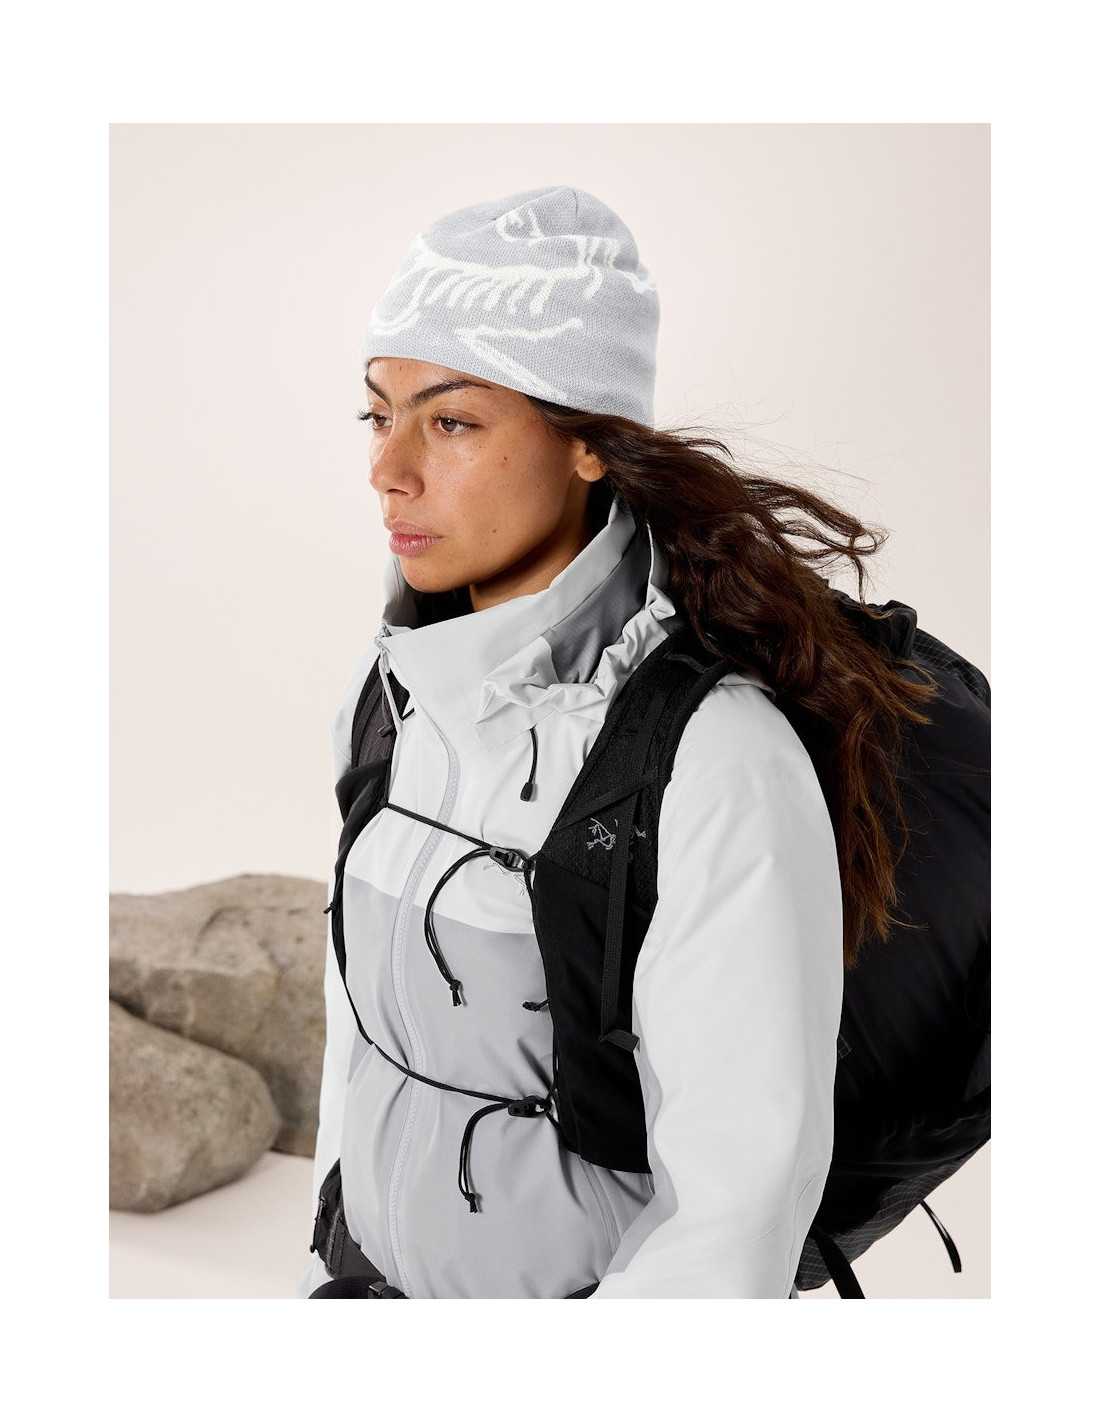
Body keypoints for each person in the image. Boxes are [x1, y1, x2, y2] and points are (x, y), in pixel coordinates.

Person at [296, 186, 936, 1299]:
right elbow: (357, 1038)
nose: (387, 468)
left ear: (590, 442)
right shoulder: (392, 693)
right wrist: (330, 1263)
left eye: (450, 422)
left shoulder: (713, 758)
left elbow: (731, 1219)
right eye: (377, 415)